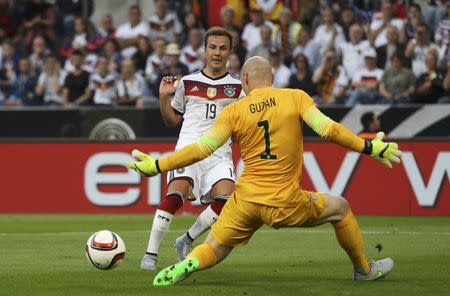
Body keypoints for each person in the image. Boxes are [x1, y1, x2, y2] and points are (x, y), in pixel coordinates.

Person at [127, 56, 402, 286]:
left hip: (245, 201)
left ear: (244, 80)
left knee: (215, 246)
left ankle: (187, 264)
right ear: (272, 77)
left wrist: (157, 165)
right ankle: (364, 271)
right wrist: (368, 147)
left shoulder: (233, 112)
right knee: (340, 208)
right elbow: (327, 129)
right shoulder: (295, 97)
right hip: (284, 201)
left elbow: (201, 149)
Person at [139, 27, 244, 271]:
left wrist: (228, 139)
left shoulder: (239, 88)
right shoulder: (187, 82)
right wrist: (164, 98)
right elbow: (173, 120)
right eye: (212, 47)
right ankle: (150, 255)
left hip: (219, 153)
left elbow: (241, 127)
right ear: (204, 50)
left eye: (222, 48)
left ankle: (185, 240)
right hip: (189, 147)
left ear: (230, 52)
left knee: (227, 200)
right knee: (176, 195)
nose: (217, 53)